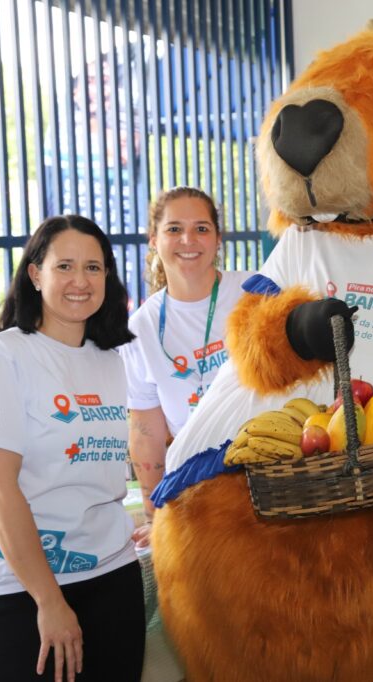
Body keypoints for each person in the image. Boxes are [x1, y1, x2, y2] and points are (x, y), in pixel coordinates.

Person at [0, 216, 144, 682]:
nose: (81, 281)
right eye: (65, 266)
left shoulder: (111, 361)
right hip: (17, 591)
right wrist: (49, 600)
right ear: (36, 274)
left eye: (93, 268)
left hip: (110, 573)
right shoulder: (3, 356)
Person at [118, 187, 248, 544]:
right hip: (197, 492)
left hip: (269, 474)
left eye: (201, 228)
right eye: (174, 229)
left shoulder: (252, 291)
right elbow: (146, 433)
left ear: (218, 239)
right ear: (154, 240)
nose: (188, 240)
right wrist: (154, 515)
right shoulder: (141, 328)